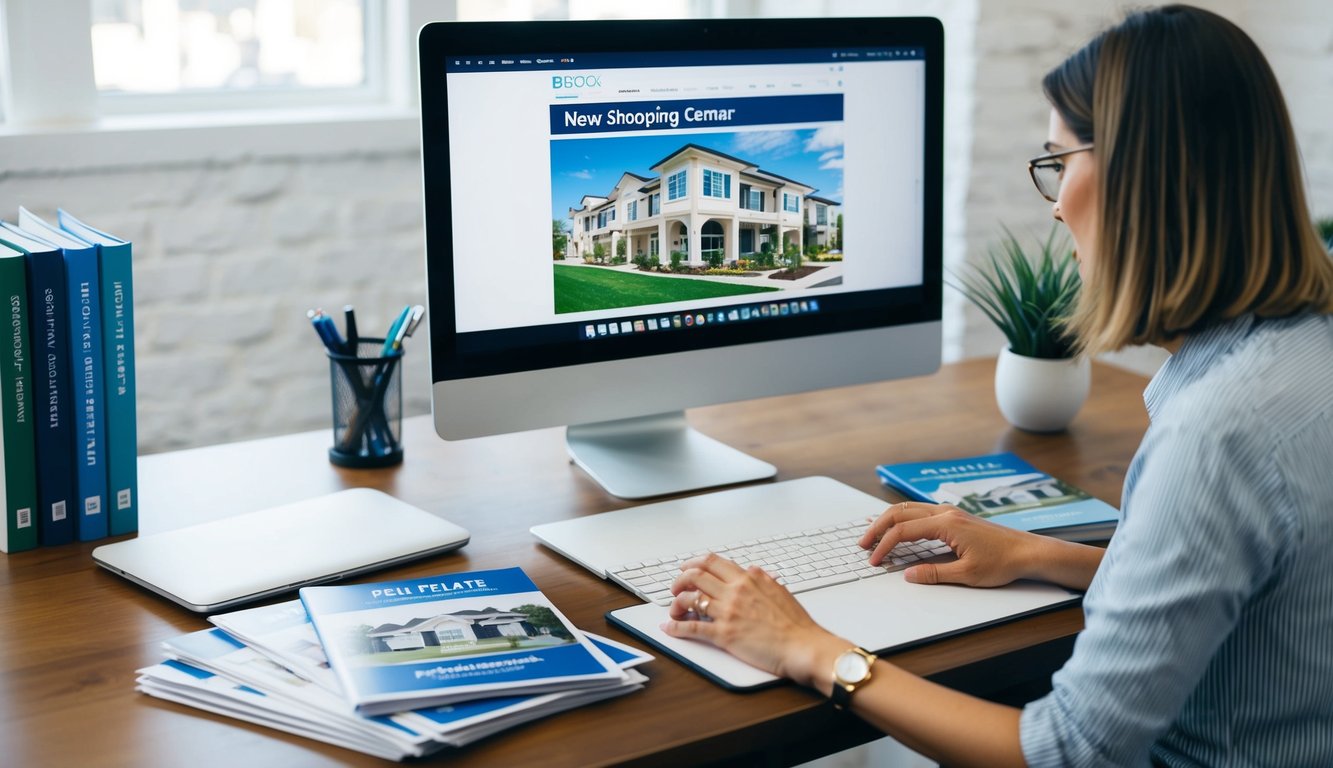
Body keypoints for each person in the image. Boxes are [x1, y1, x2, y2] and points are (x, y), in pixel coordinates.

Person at [662, 5, 1333, 767]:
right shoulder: (1304, 349)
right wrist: (1036, 553)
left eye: (1059, 161)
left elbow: (1067, 752)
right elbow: (1236, 584)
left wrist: (809, 648)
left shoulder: (1216, 433)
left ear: (1138, 180)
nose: (1053, 204)